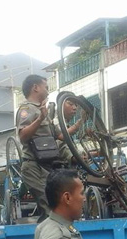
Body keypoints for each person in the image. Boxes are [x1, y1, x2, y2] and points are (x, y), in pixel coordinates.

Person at [16, 75, 74, 223]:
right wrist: (40, 118)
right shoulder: (26, 109)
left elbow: (61, 136)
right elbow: (22, 136)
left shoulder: (44, 112)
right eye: (46, 87)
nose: (48, 91)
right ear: (35, 87)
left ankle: (44, 232)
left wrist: (80, 123)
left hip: (47, 167)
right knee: (50, 206)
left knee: (56, 205)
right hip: (33, 167)